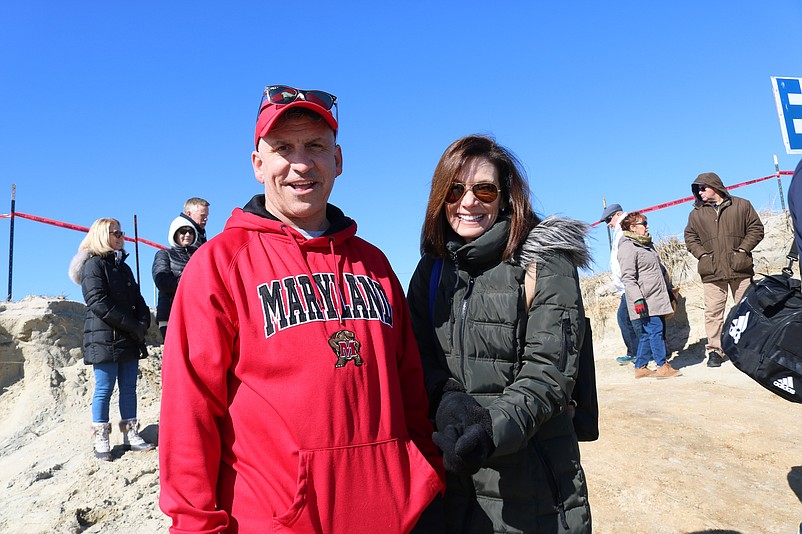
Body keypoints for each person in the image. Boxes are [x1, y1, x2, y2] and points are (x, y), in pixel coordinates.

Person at [159, 85, 444, 533]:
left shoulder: (375, 263)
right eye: (282, 148)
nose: (301, 163)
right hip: (276, 522)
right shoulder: (220, 264)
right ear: (258, 165)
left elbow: (409, 386)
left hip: (392, 520)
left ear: (338, 160)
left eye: (315, 146)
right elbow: (189, 411)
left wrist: (422, 478)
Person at [407, 134, 592, 532]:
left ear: (506, 197)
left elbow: (550, 372)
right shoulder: (431, 271)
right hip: (452, 480)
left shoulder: (544, 261)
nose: (468, 201)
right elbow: (415, 357)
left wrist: (490, 431)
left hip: (531, 483)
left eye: (484, 189)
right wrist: (448, 401)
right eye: (455, 189)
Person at [67, 218, 154, 461]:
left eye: (121, 232)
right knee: (104, 389)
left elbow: (137, 298)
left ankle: (130, 433)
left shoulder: (123, 267)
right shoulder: (92, 266)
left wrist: (143, 320)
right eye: (114, 232)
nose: (120, 236)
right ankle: (101, 436)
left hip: (128, 336)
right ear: (101, 236)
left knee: (129, 389)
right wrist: (132, 324)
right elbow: (97, 302)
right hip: (103, 337)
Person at [684, 172, 764, 368]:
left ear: (715, 186)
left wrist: (743, 250)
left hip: (740, 268)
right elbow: (690, 238)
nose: (699, 192)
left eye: (703, 188)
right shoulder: (696, 214)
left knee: (748, 310)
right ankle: (715, 351)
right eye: (697, 189)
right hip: (712, 272)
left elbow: (756, 228)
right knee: (713, 313)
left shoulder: (742, 205)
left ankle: (750, 348)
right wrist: (703, 256)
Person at [618, 212, 681, 379]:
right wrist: (638, 299)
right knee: (656, 330)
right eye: (643, 223)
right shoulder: (627, 246)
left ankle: (640, 367)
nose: (647, 226)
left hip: (656, 297)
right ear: (632, 227)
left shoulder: (647, 244)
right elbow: (628, 278)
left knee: (647, 333)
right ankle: (662, 366)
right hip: (644, 300)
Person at [599, 203, 640, 365]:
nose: (608, 224)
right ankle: (636, 352)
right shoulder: (619, 230)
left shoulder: (625, 227)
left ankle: (639, 353)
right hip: (625, 284)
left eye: (609, 219)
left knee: (629, 319)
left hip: (630, 283)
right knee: (627, 319)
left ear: (618, 214)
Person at [151, 216, 199, 339]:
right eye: (183, 231)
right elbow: (161, 280)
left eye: (191, 231)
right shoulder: (164, 254)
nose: (187, 234)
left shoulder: (199, 254)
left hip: (196, 314)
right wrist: (189, 283)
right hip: (171, 314)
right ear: (175, 234)